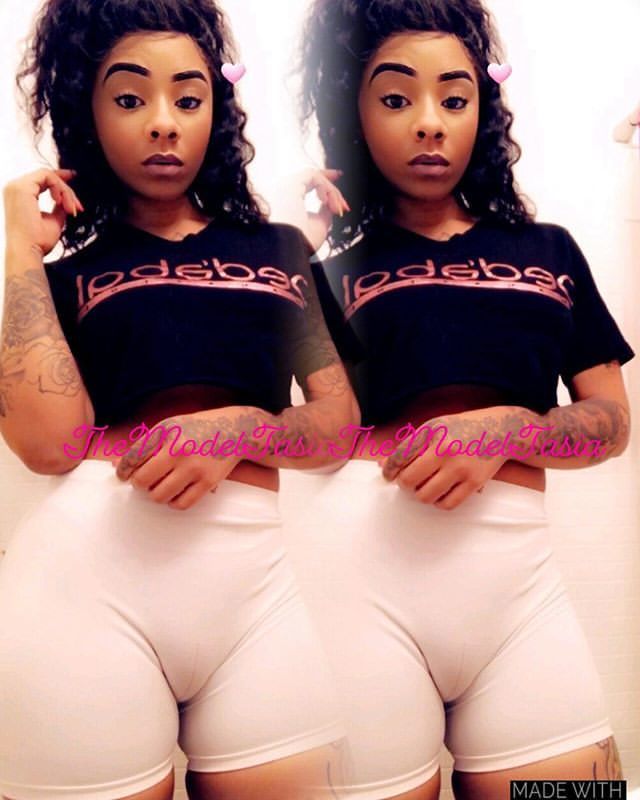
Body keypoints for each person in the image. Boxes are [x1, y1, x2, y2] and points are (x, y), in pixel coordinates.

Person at [0, 1, 359, 798]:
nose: (164, 122)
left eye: (188, 98)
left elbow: (338, 428)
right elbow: (47, 446)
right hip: (84, 598)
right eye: (131, 98)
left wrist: (239, 427)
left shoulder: (280, 250)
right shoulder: (63, 274)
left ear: (214, 111)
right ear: (88, 112)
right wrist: (20, 250)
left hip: (257, 606)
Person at [279, 0, 636, 798]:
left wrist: (505, 428)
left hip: (522, 607)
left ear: (483, 107)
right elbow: (287, 431)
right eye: (396, 98)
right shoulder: (331, 267)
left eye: (454, 97)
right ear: (355, 112)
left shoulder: (549, 250)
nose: (430, 123)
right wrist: (284, 255)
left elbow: (612, 424)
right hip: (361, 600)